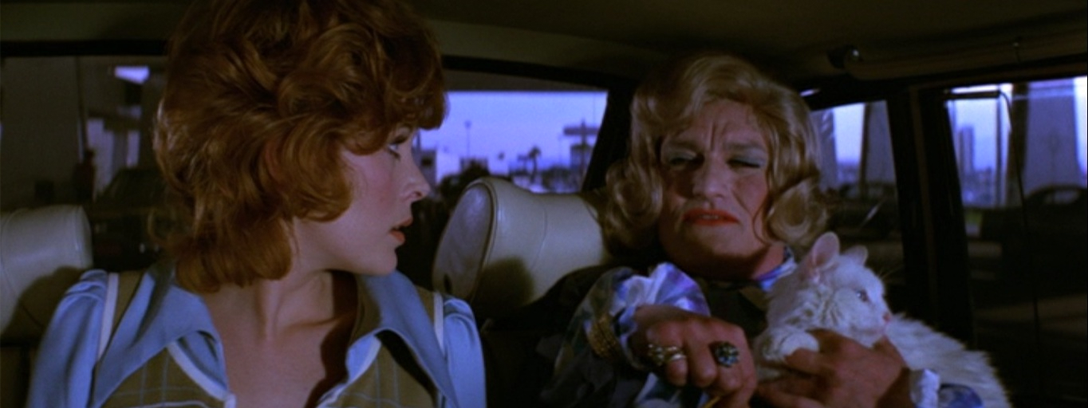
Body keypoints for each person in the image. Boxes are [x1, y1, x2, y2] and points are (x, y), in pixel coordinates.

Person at [26, 0, 485, 407]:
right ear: (287, 153)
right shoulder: (100, 330)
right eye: (394, 146)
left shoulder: (441, 342)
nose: (420, 185)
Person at [539, 52, 977, 407]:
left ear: (786, 184)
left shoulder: (857, 303)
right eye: (680, 159)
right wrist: (641, 332)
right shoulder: (608, 295)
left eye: (744, 162)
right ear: (654, 182)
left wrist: (899, 399)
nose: (706, 185)